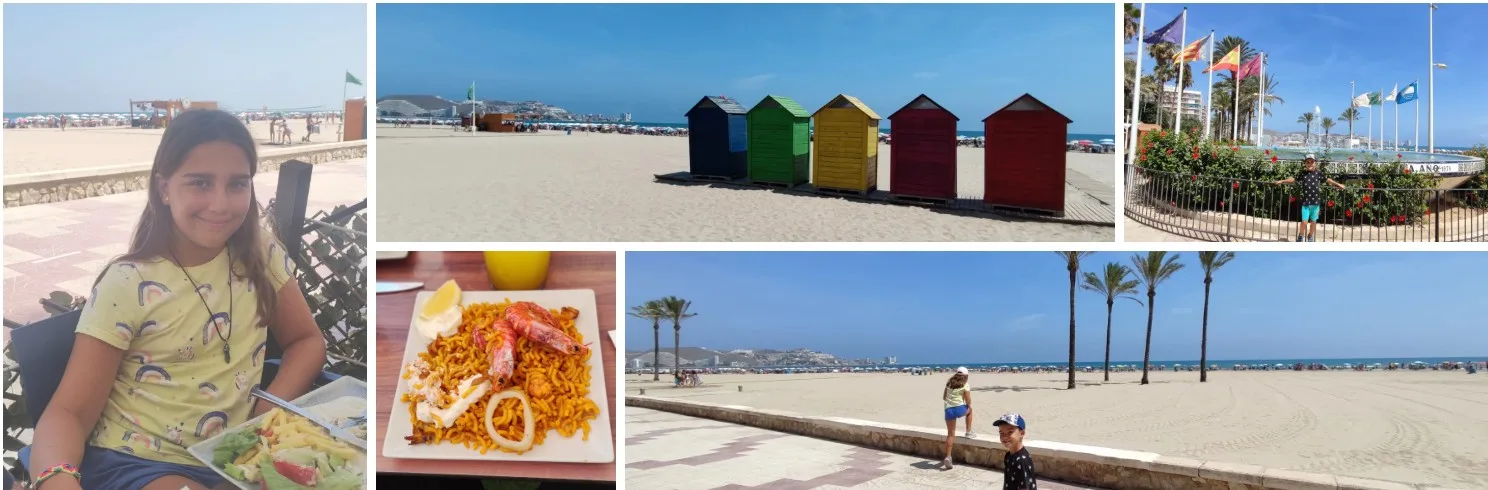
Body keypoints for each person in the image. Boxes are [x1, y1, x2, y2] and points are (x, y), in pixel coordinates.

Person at [26, 109, 328, 490]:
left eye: (237, 184)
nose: (220, 203)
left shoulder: (260, 256)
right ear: (164, 189)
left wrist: (264, 414)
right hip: (139, 462)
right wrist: (57, 480)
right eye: (200, 183)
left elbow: (307, 341)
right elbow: (69, 412)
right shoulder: (129, 283)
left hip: (234, 456)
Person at [1273, 154, 1347, 242]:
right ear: (1305, 163)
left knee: (1313, 222)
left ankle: (1310, 236)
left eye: (1312, 162)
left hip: (1315, 203)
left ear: (1315, 163)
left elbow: (1328, 180)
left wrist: (1338, 184)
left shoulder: (1318, 173)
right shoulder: (1303, 174)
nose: (1310, 164)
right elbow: (1293, 179)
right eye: (1307, 162)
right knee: (1304, 222)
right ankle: (1301, 235)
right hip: (1306, 203)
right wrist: (1282, 181)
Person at [940, 366, 976, 469]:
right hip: (959, 408)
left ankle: (948, 456)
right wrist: (968, 405)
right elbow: (968, 400)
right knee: (970, 411)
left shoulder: (949, 383)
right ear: (966, 376)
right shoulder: (965, 384)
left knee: (950, 434)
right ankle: (968, 432)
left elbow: (944, 397)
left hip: (948, 410)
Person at [995, 413, 1037, 490]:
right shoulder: (1009, 455)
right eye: (1001, 433)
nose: (1005, 437)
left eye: (1010, 432)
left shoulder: (1021, 460)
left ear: (1022, 433)